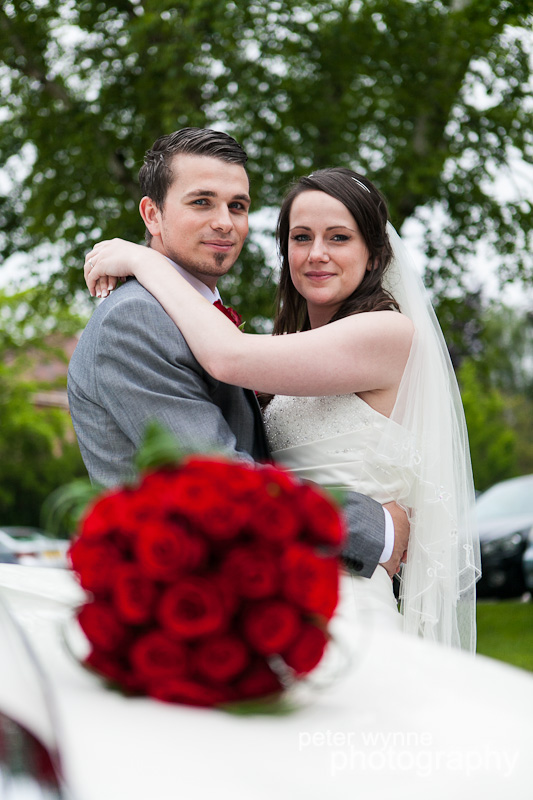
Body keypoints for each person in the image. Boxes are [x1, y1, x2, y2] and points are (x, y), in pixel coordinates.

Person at [83, 165, 481, 651]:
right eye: (300, 237)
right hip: (278, 594)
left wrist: (146, 261)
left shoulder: (386, 333)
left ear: (375, 255)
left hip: (347, 595)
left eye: (338, 238)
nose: (317, 254)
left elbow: (228, 355)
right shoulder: (293, 349)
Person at [68, 128, 408, 596]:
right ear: (152, 214)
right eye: (202, 202)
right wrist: (380, 531)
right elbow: (221, 480)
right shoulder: (136, 320)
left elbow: (233, 363)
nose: (225, 222)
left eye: (238, 205)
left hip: (282, 590)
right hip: (186, 599)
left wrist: (143, 261)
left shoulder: (202, 319)